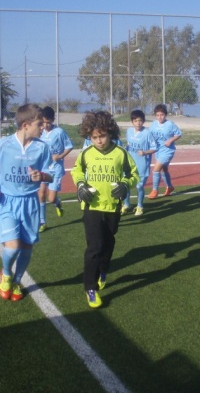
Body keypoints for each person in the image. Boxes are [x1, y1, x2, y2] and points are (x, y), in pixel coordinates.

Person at [0, 103, 53, 301]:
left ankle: (16, 281)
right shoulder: (3, 144)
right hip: (7, 201)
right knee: (13, 246)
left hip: (30, 203)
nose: (43, 127)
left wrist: (42, 176)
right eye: (39, 124)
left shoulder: (42, 147)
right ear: (25, 125)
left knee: (27, 247)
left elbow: (52, 174)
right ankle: (6, 273)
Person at [71, 110, 139, 308]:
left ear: (110, 133)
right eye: (94, 138)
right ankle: (90, 288)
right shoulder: (86, 154)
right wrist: (81, 185)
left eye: (102, 136)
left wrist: (125, 185)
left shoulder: (121, 153)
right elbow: (76, 171)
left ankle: (103, 269)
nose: (99, 141)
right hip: (91, 206)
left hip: (112, 206)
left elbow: (133, 174)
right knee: (95, 246)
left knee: (108, 243)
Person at [38, 106, 74, 232]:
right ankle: (42, 222)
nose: (46, 125)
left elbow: (69, 146)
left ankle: (57, 204)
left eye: (48, 122)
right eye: (43, 122)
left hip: (56, 169)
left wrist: (59, 156)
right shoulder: (40, 132)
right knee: (41, 194)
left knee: (51, 198)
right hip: (43, 168)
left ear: (53, 120)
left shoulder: (59, 132)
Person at [124, 109, 157, 216]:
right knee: (126, 185)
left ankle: (139, 206)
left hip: (142, 165)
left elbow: (154, 148)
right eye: (135, 121)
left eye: (140, 120)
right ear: (132, 121)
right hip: (129, 164)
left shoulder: (147, 133)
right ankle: (126, 205)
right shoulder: (129, 131)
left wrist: (145, 152)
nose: (138, 123)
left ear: (143, 121)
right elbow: (129, 145)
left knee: (139, 186)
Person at [146, 104, 183, 199]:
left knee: (156, 169)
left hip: (167, 151)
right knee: (164, 169)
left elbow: (178, 134)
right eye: (157, 115)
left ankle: (155, 190)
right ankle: (170, 187)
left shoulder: (170, 124)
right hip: (158, 150)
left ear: (165, 115)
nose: (160, 117)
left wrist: (170, 140)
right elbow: (150, 136)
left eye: (162, 115)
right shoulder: (154, 124)